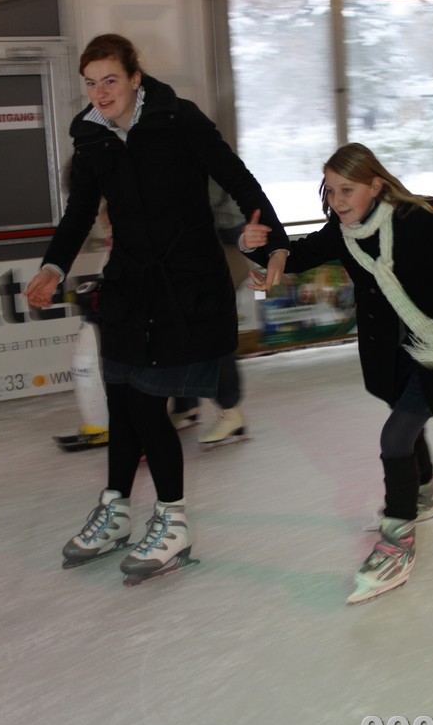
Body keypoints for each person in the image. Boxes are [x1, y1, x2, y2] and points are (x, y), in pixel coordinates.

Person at [25, 33, 288, 584]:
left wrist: (274, 242)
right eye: (91, 83)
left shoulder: (178, 119)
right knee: (121, 400)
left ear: (135, 78)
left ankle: (173, 522)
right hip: (129, 284)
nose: (101, 93)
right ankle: (116, 509)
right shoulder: (90, 136)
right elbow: (79, 212)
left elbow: (238, 179)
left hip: (184, 286)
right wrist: (53, 267)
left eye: (110, 80)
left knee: (147, 407)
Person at [242, 143, 433, 605]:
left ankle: (397, 542)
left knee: (396, 436)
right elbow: (299, 256)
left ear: (376, 186)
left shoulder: (416, 218)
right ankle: (424, 491)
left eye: (347, 190)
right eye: (331, 190)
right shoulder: (342, 231)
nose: (337, 200)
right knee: (404, 424)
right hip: (391, 353)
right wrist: (256, 247)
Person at [171, 179, 250, 445]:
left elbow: (201, 205)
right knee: (179, 333)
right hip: (192, 261)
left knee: (212, 336)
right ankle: (185, 404)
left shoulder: (194, 162)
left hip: (215, 259)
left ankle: (231, 411)